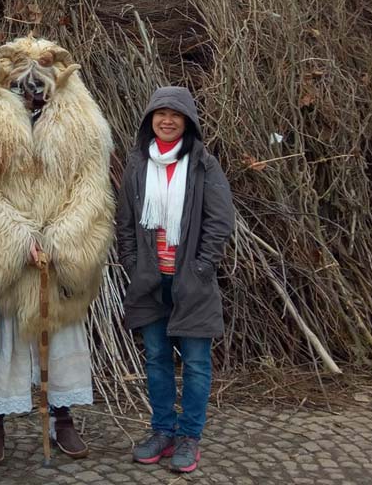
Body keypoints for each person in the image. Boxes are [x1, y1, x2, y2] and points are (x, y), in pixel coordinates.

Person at [117, 86, 236, 474]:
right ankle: (162, 431)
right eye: (160, 113)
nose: (167, 120)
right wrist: (134, 265)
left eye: (175, 114)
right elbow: (125, 223)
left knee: (198, 363)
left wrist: (201, 267)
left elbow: (220, 221)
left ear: (188, 121)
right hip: (150, 281)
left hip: (192, 281)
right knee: (156, 359)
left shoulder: (204, 164)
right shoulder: (138, 163)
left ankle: (189, 437)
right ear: (149, 119)